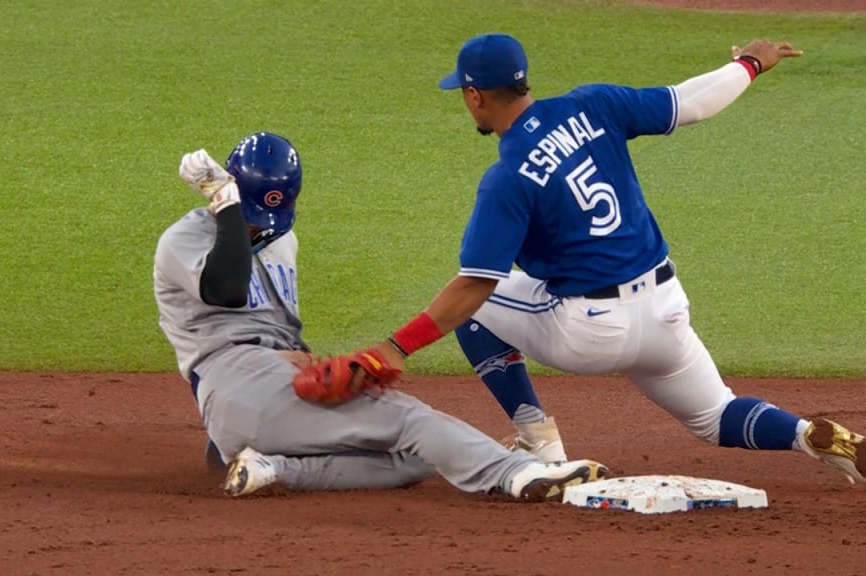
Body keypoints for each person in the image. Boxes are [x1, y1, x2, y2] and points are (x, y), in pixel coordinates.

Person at [293, 35, 865, 486]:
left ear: (475, 96)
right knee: (718, 417)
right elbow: (692, 102)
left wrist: (388, 350)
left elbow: (474, 287)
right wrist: (749, 65)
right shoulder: (596, 104)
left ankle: (538, 442)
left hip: (589, 333)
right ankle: (813, 437)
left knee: (477, 306)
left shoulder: (507, 178)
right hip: (666, 311)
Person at [153, 131, 609, 500]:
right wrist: (227, 206)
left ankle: (274, 468)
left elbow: (279, 329)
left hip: (268, 397)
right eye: (249, 215)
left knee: (416, 457)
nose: (258, 228)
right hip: (236, 379)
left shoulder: (280, 241)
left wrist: (305, 360)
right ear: (228, 192)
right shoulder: (184, 240)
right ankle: (519, 474)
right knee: (409, 420)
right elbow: (228, 289)